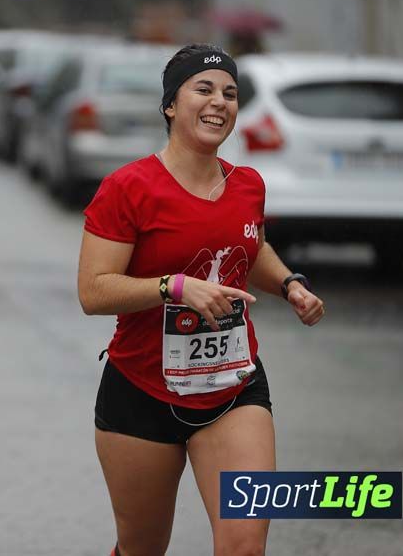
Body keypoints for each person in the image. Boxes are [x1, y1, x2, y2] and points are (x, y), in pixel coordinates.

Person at [76, 44, 326, 556]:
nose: (219, 102)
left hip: (233, 388)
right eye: (204, 89)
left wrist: (289, 284)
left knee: (244, 545)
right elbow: (93, 290)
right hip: (142, 391)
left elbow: (248, 248)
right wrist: (173, 287)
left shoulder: (248, 185)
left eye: (230, 94)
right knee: (142, 547)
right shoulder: (128, 188)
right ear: (171, 104)